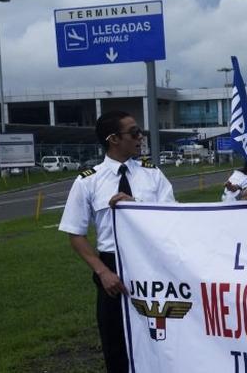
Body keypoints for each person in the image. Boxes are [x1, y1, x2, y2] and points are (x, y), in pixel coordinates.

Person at [59, 110, 175, 373]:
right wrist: (102, 272)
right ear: (113, 139)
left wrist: (137, 206)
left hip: (152, 265)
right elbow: (75, 234)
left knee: (161, 339)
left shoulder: (152, 174)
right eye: (134, 132)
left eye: (140, 131)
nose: (140, 137)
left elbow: (172, 218)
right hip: (112, 269)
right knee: (115, 344)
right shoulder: (88, 181)